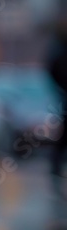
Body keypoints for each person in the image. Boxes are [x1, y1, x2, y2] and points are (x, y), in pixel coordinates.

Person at [48, 18, 67, 195]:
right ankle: (55, 167)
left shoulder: (58, 50)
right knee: (62, 138)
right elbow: (54, 71)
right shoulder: (59, 50)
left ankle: (55, 167)